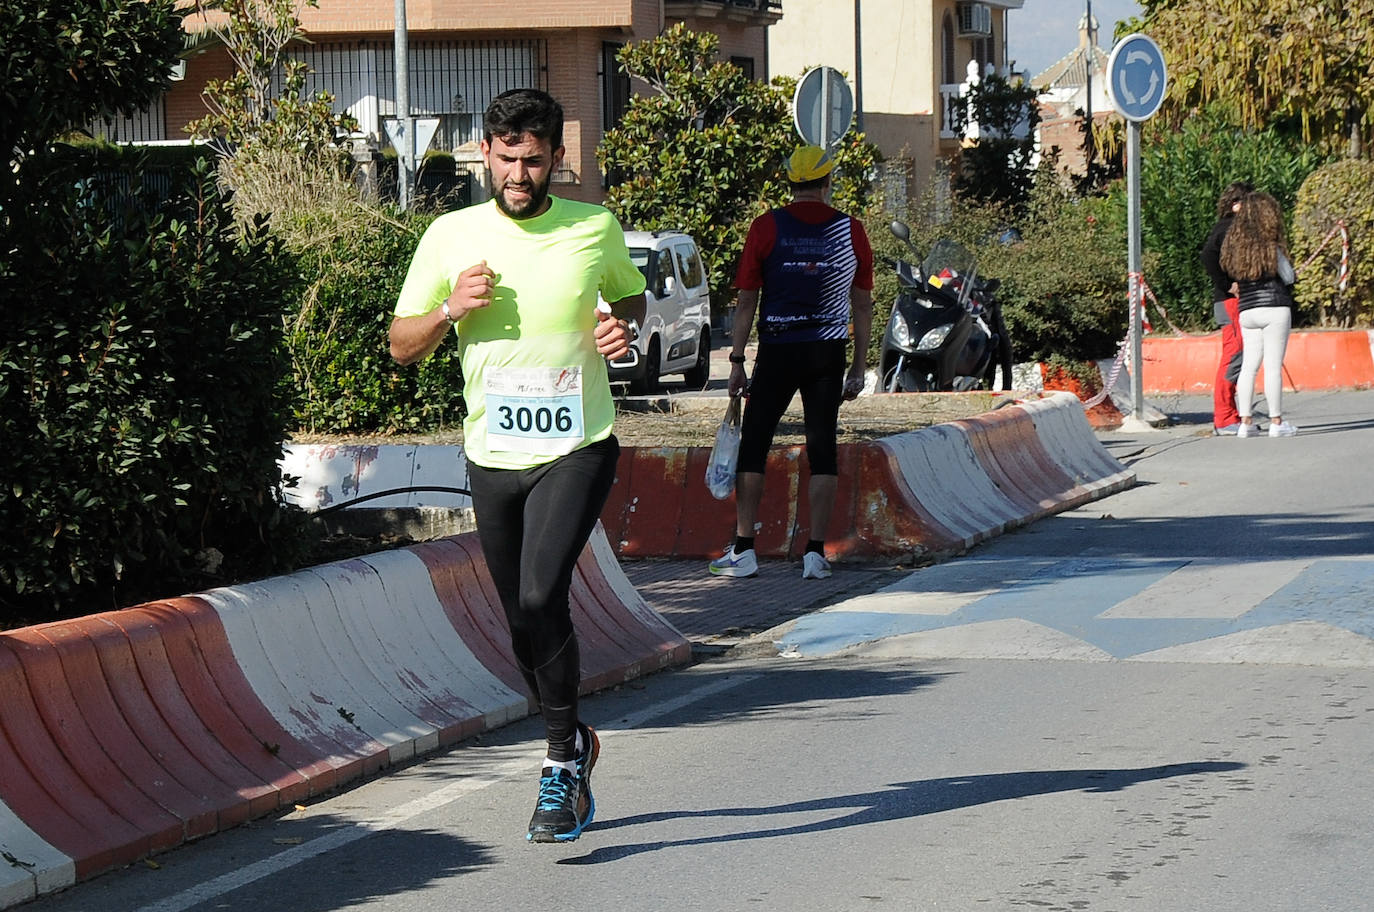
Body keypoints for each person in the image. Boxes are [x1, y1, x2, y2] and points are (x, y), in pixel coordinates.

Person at [389, 88, 646, 843]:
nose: (520, 174)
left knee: (541, 596)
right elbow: (402, 345)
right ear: (485, 156)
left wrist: (618, 332)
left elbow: (628, 305)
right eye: (507, 159)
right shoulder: (449, 236)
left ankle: (560, 765)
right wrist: (447, 310)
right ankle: (578, 741)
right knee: (519, 623)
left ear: (557, 160)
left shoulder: (593, 227)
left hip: (576, 444)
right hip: (492, 452)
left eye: (534, 161)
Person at [708, 144, 874, 581]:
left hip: (778, 348)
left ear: (789, 183)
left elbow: (746, 301)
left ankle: (744, 549)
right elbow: (862, 303)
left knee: (755, 443)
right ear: (826, 182)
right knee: (823, 448)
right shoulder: (850, 230)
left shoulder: (765, 227)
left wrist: (738, 360)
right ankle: (816, 553)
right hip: (828, 351)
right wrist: (858, 367)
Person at [1219, 190, 1299, 438]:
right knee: (1273, 366)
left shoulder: (1236, 247)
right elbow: (1289, 277)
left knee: (1249, 367)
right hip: (1274, 307)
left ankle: (1245, 423)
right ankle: (1276, 422)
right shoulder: (1270, 246)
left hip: (1247, 311)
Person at [1200, 180, 1254, 435]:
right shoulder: (1227, 228)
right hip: (1229, 301)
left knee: (1239, 357)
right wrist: (1226, 284)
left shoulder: (1233, 228)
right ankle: (1224, 418)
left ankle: (1231, 414)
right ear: (1236, 205)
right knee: (1234, 357)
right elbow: (1207, 256)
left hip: (1234, 301)